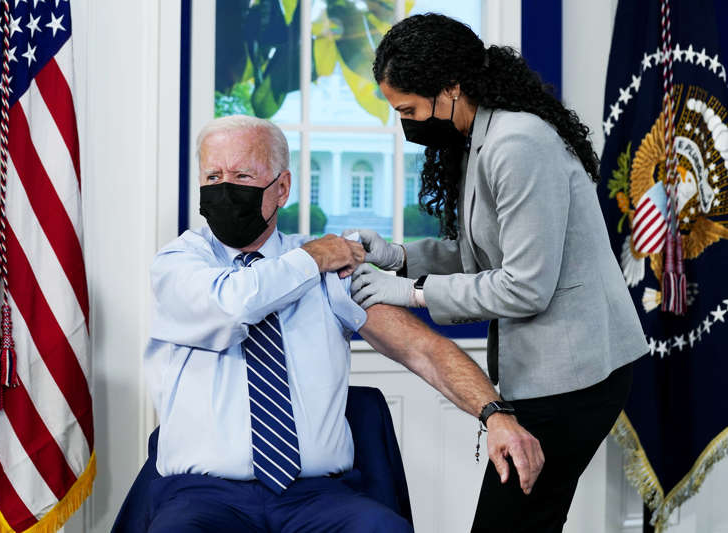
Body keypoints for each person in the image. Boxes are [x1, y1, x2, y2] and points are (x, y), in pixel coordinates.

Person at [143, 115, 544, 532]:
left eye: (242, 175)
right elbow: (235, 304)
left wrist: (495, 414)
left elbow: (423, 350)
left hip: (314, 495)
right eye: (213, 176)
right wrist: (313, 258)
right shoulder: (180, 264)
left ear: (282, 189)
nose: (225, 188)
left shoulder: (332, 271)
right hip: (204, 494)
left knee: (382, 529)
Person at [346, 13, 649, 533]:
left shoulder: (517, 143)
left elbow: (525, 286)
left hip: (576, 377)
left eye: (409, 110)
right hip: (548, 373)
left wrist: (411, 292)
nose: (407, 123)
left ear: (450, 87)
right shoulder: (480, 136)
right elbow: (482, 256)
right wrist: (397, 255)